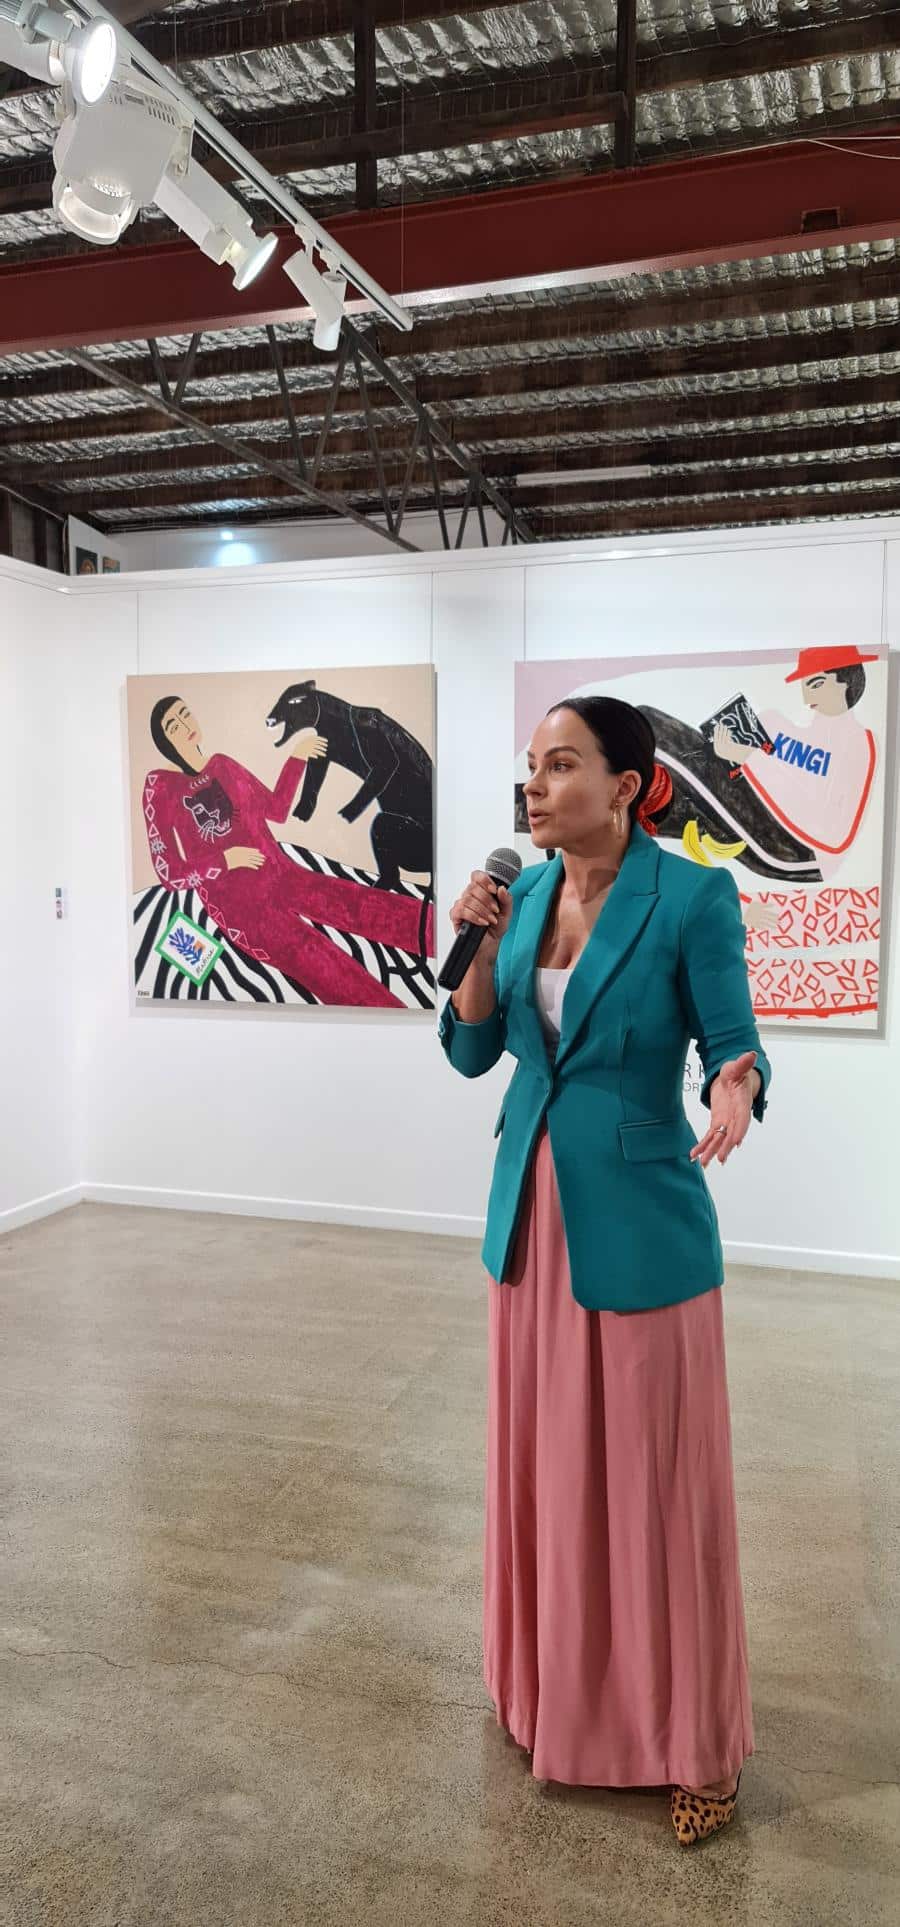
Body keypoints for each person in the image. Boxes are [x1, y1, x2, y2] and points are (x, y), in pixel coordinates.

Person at [439, 695, 771, 1848]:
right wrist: (479, 944)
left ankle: (695, 1742)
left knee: (657, 1493)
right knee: (549, 1475)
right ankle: (554, 1698)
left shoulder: (691, 895)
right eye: (530, 766)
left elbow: (734, 1039)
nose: (535, 785)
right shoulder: (523, 894)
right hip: (531, 1222)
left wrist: (734, 1084)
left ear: (626, 784)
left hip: (640, 1224)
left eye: (562, 764)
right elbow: (472, 1050)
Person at [143, 695, 434, 1007]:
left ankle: (441, 935)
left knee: (359, 904)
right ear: (166, 741)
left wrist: (296, 759)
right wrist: (227, 859)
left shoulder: (223, 765)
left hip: (281, 874)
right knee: (329, 969)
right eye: (173, 726)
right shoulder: (160, 787)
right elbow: (169, 874)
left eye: (185, 714)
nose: (184, 725)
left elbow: (276, 809)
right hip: (245, 912)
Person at [712, 644, 879, 879]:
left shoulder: (858, 743)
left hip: (807, 856)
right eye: (804, 686)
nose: (807, 698)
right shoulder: (782, 727)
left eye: (816, 684)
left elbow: (832, 835)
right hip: (771, 827)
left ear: (845, 681)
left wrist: (749, 758)